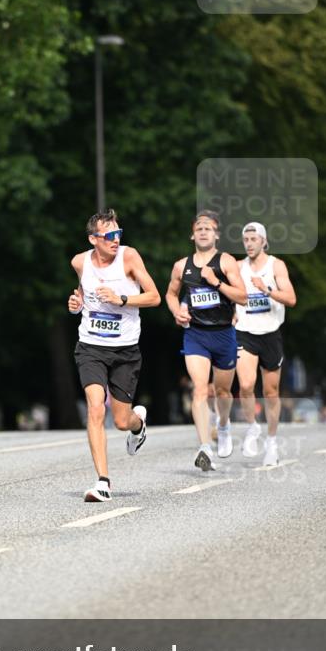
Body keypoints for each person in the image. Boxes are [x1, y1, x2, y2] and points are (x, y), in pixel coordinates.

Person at [68, 208, 160, 502]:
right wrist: (76, 304)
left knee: (122, 421)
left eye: (118, 234)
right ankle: (103, 482)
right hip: (90, 346)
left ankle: (138, 425)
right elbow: (83, 295)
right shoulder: (79, 262)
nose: (115, 240)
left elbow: (154, 296)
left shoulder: (129, 258)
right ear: (93, 239)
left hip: (125, 349)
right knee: (96, 408)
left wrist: (122, 299)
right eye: (109, 236)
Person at [166, 210, 247, 472]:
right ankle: (204, 446)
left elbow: (243, 297)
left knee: (223, 391)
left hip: (224, 334)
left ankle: (223, 425)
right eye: (199, 228)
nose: (203, 231)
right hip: (196, 334)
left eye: (208, 228)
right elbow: (170, 293)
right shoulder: (181, 265)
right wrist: (176, 310)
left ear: (216, 235)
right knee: (200, 390)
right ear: (192, 234)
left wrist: (216, 283)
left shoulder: (226, 262)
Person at [235, 222, 297, 466]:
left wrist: (267, 289)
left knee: (271, 393)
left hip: (271, 333)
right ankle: (252, 427)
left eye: (253, 239)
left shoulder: (276, 265)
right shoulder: (238, 267)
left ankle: (272, 441)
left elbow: (291, 299)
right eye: (246, 239)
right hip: (244, 332)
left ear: (263, 241)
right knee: (247, 385)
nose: (249, 243)